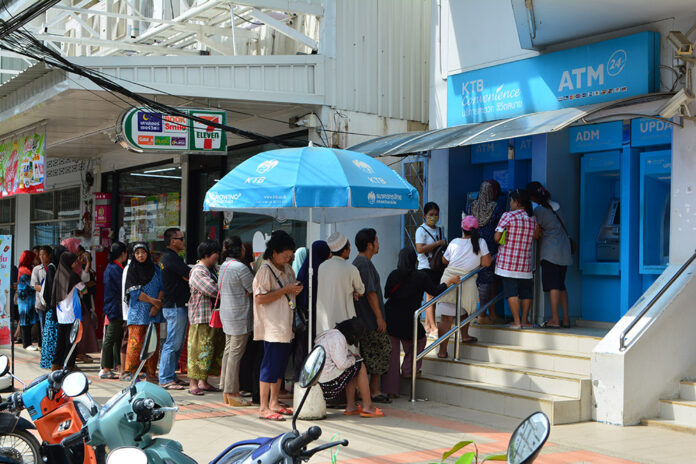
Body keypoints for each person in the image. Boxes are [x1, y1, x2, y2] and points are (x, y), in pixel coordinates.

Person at [382, 248, 460, 396]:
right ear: (414, 260)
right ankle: (408, 370)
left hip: (391, 318)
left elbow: (386, 293)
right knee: (420, 341)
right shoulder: (421, 276)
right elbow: (435, 291)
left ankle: (390, 391)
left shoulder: (394, 274)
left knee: (392, 357)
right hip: (409, 320)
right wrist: (449, 281)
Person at [253, 230, 302, 421]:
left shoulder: (288, 269)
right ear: (273, 252)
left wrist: (294, 289)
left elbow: (288, 291)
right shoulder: (265, 271)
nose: (288, 258)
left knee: (280, 365)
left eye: (290, 255)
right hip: (272, 326)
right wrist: (285, 290)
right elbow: (260, 298)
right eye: (285, 255)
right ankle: (264, 407)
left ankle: (274, 401)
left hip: (285, 324)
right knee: (269, 366)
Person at [437, 216, 492, 357]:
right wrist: (476, 262)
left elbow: (444, 260)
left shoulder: (455, 242)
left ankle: (442, 351)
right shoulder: (481, 242)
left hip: (449, 279)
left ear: (462, 229)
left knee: (446, 318)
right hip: (467, 280)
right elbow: (487, 263)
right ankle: (465, 335)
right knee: (467, 309)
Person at [315, 317, 384, 417]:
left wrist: (351, 357)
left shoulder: (331, 334)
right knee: (360, 366)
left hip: (318, 381)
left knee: (353, 368)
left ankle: (351, 407)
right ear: (353, 335)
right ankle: (367, 407)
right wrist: (354, 359)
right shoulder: (339, 338)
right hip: (327, 385)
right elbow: (342, 364)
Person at [353, 228, 392, 404]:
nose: (378, 244)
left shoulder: (358, 262)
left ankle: (368, 390)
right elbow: (371, 293)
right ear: (369, 245)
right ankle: (373, 391)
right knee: (380, 350)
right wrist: (379, 317)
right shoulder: (364, 264)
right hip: (369, 319)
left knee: (370, 354)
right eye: (376, 240)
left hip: (363, 318)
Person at [527, 182, 573, 328]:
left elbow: (536, 233)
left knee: (553, 286)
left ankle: (555, 319)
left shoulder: (540, 211)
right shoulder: (557, 206)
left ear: (533, 197)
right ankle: (566, 319)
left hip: (550, 252)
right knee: (561, 286)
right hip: (564, 251)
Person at [494, 189, 540, 329]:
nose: (510, 204)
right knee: (526, 292)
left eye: (511, 201)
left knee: (511, 292)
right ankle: (525, 321)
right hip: (525, 263)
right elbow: (537, 236)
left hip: (507, 263)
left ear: (517, 202)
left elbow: (497, 237)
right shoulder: (532, 218)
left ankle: (516, 321)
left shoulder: (508, 216)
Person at [218, 236, 254, 406]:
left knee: (228, 351)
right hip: (239, 315)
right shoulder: (241, 268)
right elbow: (254, 289)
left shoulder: (224, 266)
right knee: (235, 354)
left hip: (227, 314)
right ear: (241, 249)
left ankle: (226, 388)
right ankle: (232, 392)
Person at [187, 239, 225, 395]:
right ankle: (193, 384)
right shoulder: (198, 271)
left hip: (213, 317)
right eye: (215, 253)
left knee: (210, 350)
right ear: (206, 254)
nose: (217, 256)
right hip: (201, 317)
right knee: (198, 349)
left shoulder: (214, 269)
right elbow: (212, 289)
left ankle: (203, 382)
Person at [124, 243, 164, 382]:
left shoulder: (155, 268)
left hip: (154, 313)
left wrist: (157, 306)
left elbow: (162, 288)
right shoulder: (132, 270)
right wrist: (154, 302)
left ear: (148, 253)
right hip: (138, 314)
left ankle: (151, 374)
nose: (140, 255)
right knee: (136, 344)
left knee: (153, 343)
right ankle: (134, 374)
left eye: (143, 252)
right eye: (137, 253)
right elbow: (134, 292)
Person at [159, 228, 191, 390]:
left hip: (176, 306)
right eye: (181, 238)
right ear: (173, 241)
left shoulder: (171, 258)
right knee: (172, 343)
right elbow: (189, 274)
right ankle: (165, 378)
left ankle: (171, 375)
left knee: (176, 343)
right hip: (174, 307)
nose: (183, 241)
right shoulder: (171, 258)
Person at [295, 240, 331, 381]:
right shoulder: (320, 270)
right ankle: (308, 380)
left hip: (304, 315)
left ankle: (298, 382)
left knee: (301, 350)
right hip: (314, 316)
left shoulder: (305, 268)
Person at [469, 180, 505, 324]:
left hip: (474, 247)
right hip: (491, 248)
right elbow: (500, 230)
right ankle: (488, 314)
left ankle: (480, 313)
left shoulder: (471, 206)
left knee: (478, 281)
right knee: (492, 282)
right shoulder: (496, 208)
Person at [315, 232, 364, 335]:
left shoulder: (322, 267)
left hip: (324, 325)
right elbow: (361, 291)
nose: (350, 250)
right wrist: (355, 292)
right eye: (349, 247)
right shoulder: (351, 269)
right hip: (345, 325)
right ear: (345, 250)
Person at [415, 202, 447, 336]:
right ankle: (433, 327)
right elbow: (420, 248)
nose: (433, 217)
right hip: (425, 267)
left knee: (434, 296)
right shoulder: (421, 230)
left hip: (437, 267)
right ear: (425, 216)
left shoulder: (439, 230)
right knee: (430, 296)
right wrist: (437, 243)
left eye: (436, 215)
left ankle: (428, 325)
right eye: (431, 215)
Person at [52, 252, 87, 370]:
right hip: (72, 313)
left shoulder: (58, 274)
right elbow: (84, 289)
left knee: (60, 341)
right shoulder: (73, 276)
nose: (76, 263)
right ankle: (69, 365)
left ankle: (56, 365)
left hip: (61, 313)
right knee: (73, 340)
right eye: (74, 261)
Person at [99, 242, 127, 379]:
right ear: (122, 254)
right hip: (115, 308)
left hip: (113, 307)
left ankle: (116, 365)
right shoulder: (116, 269)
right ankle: (106, 368)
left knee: (116, 338)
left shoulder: (112, 267)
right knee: (111, 338)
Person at [40, 245, 67, 369]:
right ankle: (52, 362)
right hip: (54, 308)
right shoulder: (52, 268)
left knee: (56, 336)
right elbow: (51, 290)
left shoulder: (57, 267)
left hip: (57, 307)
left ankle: (56, 362)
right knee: (52, 336)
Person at [76, 250, 99, 361]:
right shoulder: (76, 271)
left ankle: (82, 352)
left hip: (86, 301)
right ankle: (79, 353)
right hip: (79, 303)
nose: (83, 259)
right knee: (82, 327)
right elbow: (84, 282)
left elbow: (92, 282)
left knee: (86, 327)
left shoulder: (90, 271)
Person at [16, 251, 38, 350]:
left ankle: (28, 343)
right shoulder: (25, 271)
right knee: (25, 322)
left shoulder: (27, 269)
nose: (35, 259)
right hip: (25, 302)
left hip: (28, 300)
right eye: (33, 258)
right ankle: (27, 344)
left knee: (28, 322)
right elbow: (33, 285)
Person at [30, 246, 51, 347]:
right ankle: (45, 348)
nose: (41, 257)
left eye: (44, 255)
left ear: (49, 255)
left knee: (51, 326)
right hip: (41, 303)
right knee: (43, 327)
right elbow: (35, 285)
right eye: (40, 255)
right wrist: (46, 291)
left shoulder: (53, 268)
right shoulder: (36, 269)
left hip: (52, 303)